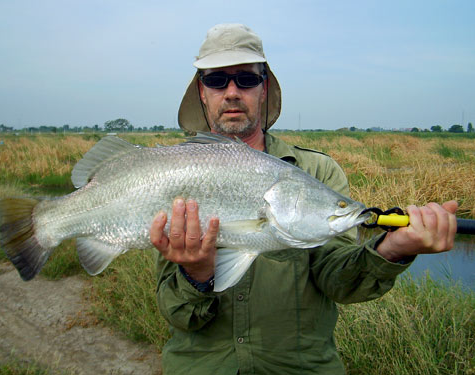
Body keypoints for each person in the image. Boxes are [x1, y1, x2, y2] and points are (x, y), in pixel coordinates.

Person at [149, 23, 458, 374]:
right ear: (201, 92)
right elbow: (177, 314)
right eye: (217, 80)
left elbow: (337, 280)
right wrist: (196, 274)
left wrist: (392, 250)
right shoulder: (171, 172)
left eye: (246, 79)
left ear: (264, 88)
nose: (232, 92)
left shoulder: (318, 172)